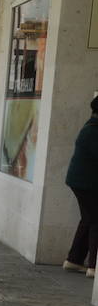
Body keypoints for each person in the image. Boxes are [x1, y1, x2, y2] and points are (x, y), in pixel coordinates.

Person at [63, 94, 98, 278]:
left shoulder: (90, 126)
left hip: (81, 182)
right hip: (87, 183)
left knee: (88, 219)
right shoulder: (93, 130)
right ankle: (93, 266)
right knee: (95, 220)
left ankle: (74, 260)